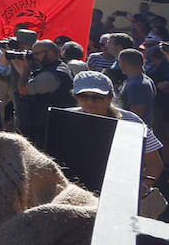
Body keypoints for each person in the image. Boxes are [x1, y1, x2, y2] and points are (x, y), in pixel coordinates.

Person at [67, 71, 164, 203]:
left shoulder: (131, 121)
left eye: (98, 97)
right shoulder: (66, 118)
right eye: (83, 96)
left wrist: (143, 187)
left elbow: (155, 164)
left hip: (119, 195)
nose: (90, 102)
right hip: (78, 194)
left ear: (110, 97)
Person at [11, 38, 76, 147]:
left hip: (43, 129)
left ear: (50, 53)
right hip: (45, 125)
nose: (34, 57)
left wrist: (26, 68)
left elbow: (23, 89)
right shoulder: (58, 68)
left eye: (36, 54)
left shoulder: (51, 75)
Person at [118, 47, 156, 126]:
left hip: (134, 131)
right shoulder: (146, 80)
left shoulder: (136, 84)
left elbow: (137, 114)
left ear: (123, 63)